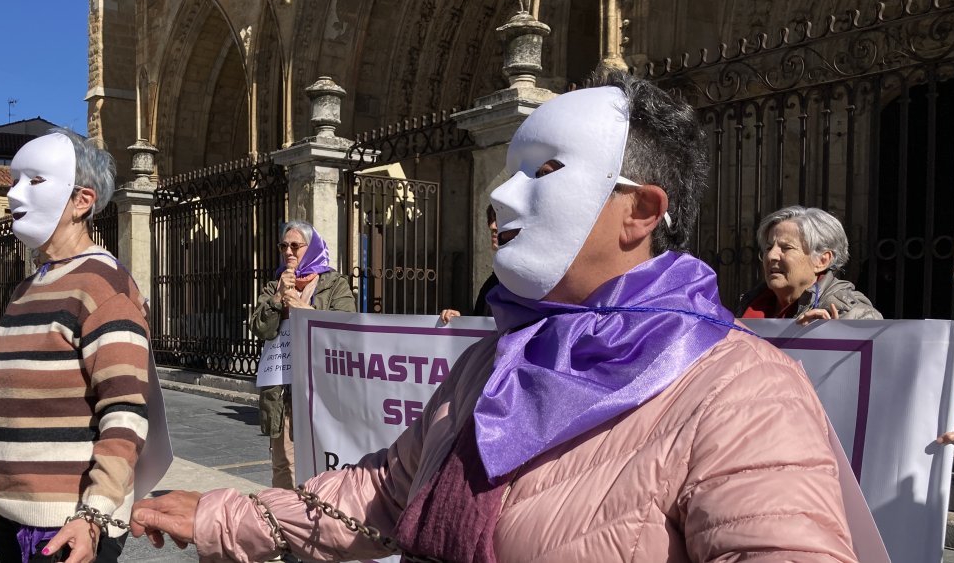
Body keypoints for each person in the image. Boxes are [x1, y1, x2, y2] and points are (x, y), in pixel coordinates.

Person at [128, 70, 867, 561]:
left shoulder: (742, 392)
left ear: (640, 211)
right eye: (507, 170)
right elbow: (384, 490)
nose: (500, 197)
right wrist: (225, 516)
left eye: (543, 170)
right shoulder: (499, 357)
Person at [0, 130, 165, 563]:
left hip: (70, 524)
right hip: (11, 515)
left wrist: (94, 514)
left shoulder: (105, 287)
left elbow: (125, 413)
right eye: (14, 181)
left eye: (35, 181)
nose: (14, 195)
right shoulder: (27, 288)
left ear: (82, 201)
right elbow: (14, 419)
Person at [250, 220, 354, 489]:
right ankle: (284, 520)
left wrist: (303, 310)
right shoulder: (273, 286)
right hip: (283, 388)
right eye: (283, 246)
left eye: (295, 245)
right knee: (284, 461)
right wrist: (276, 300)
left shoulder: (334, 284)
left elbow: (346, 326)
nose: (288, 252)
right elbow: (260, 329)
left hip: (322, 388)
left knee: (322, 461)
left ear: (312, 248)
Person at [736, 205, 882, 324]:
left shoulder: (853, 314)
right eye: (768, 248)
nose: (771, 256)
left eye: (786, 248)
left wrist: (834, 339)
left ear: (822, 261)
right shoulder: (750, 305)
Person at [440, 204, 500, 324]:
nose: (492, 226)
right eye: (491, 220)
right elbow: (480, 326)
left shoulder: (524, 284)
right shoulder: (493, 282)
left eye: (499, 220)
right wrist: (458, 321)